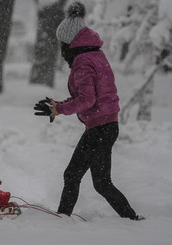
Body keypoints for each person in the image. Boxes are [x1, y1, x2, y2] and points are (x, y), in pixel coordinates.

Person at [35, 2, 143, 220]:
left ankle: (63, 218)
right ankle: (131, 218)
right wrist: (59, 106)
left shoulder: (82, 61)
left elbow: (87, 99)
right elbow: (89, 97)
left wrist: (60, 109)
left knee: (72, 175)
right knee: (102, 183)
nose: (61, 48)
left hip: (100, 128)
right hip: (107, 125)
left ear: (69, 42)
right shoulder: (95, 55)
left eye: (62, 43)